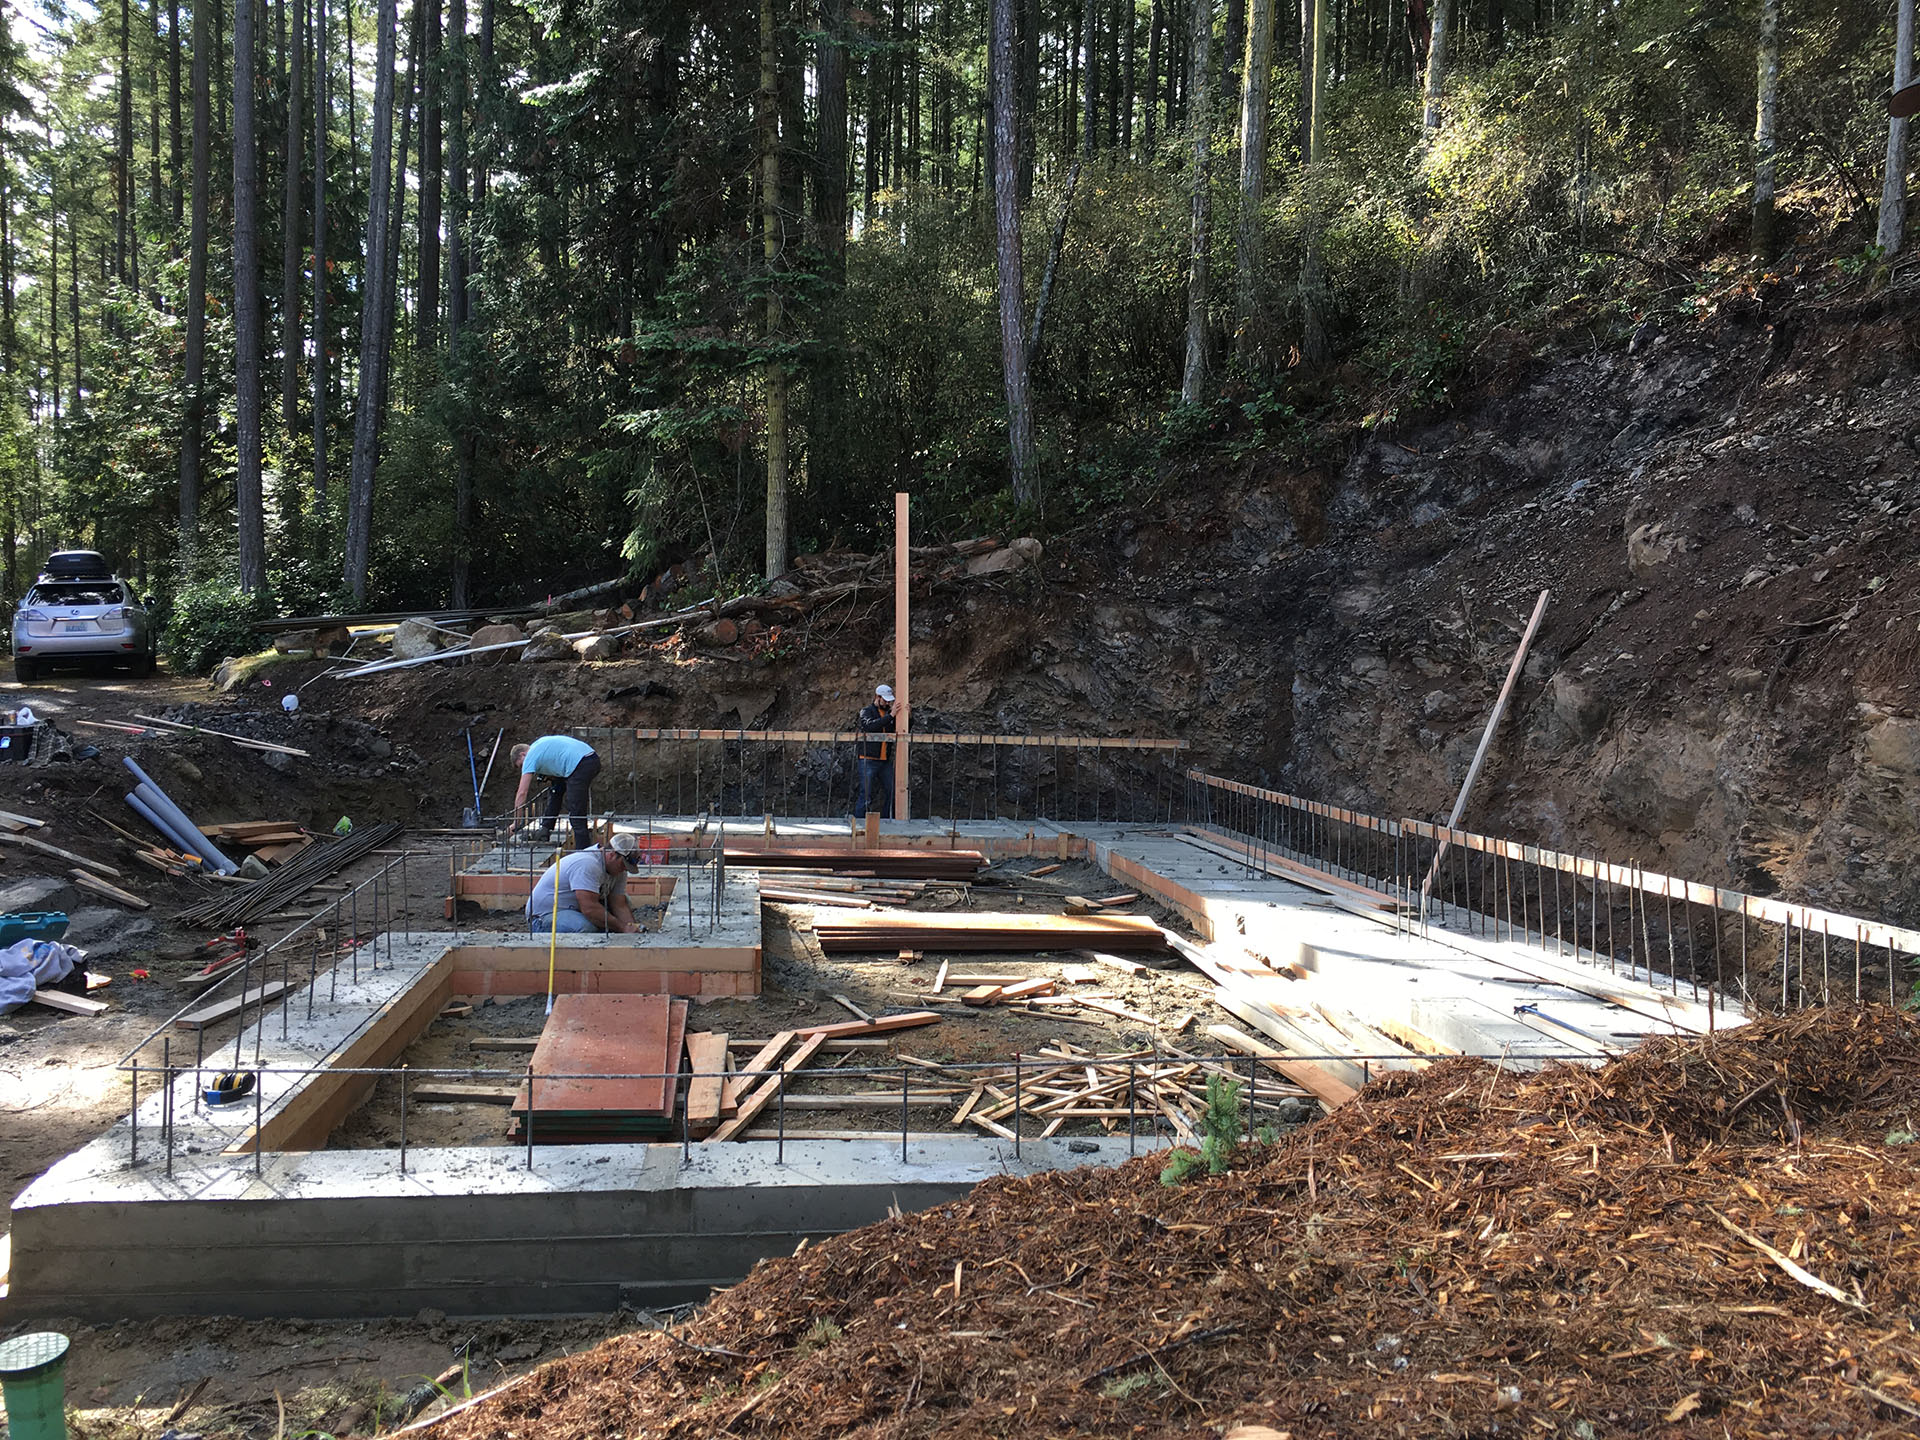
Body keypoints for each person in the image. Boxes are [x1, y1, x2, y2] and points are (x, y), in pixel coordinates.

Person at [527, 833, 640, 934]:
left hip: (574, 909)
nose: (625, 869)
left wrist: (631, 928)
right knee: (585, 928)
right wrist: (622, 927)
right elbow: (589, 908)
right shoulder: (587, 864)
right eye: (623, 865)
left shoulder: (618, 869)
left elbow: (619, 904)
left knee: (625, 901)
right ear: (612, 854)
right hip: (545, 916)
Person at [511, 735, 602, 849]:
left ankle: (582, 852)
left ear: (522, 754)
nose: (523, 768)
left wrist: (516, 822)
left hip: (581, 764)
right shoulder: (539, 745)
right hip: (590, 758)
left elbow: (522, 793)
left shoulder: (530, 756)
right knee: (556, 790)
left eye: (521, 765)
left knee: (576, 811)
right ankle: (545, 829)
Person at [855, 683, 896, 820]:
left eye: (889, 701)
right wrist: (890, 716)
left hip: (884, 760)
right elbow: (869, 726)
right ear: (877, 697)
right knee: (865, 794)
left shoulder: (889, 714)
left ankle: (887, 820)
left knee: (893, 791)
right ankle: (860, 823)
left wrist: (909, 717)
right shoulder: (866, 711)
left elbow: (902, 728)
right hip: (868, 758)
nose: (887, 703)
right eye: (885, 700)